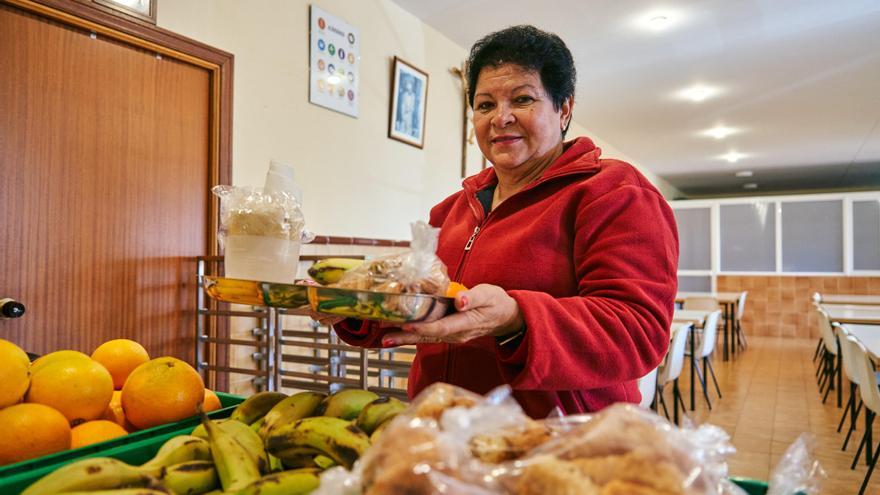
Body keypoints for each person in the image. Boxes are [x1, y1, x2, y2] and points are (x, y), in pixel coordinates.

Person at [330, 25, 678, 418]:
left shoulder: (614, 192)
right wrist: (352, 307)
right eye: (485, 105)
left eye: (522, 99)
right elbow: (423, 308)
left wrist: (516, 318)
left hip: (557, 439)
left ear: (564, 109)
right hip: (442, 430)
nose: (501, 118)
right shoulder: (451, 211)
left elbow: (638, 332)